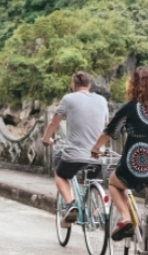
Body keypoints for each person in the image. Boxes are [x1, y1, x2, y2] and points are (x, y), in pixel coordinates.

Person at [91, 66, 148, 241]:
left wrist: (95, 148)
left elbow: (110, 131)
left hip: (136, 163)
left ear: (133, 84)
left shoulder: (129, 107)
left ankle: (126, 217)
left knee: (114, 183)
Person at [41, 71, 109, 227]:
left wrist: (46, 139)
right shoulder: (102, 100)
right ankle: (94, 213)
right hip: (97, 155)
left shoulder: (68, 99)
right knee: (92, 179)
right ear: (89, 85)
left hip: (74, 155)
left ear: (73, 85)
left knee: (60, 174)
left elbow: (54, 122)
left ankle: (70, 204)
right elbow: (107, 126)